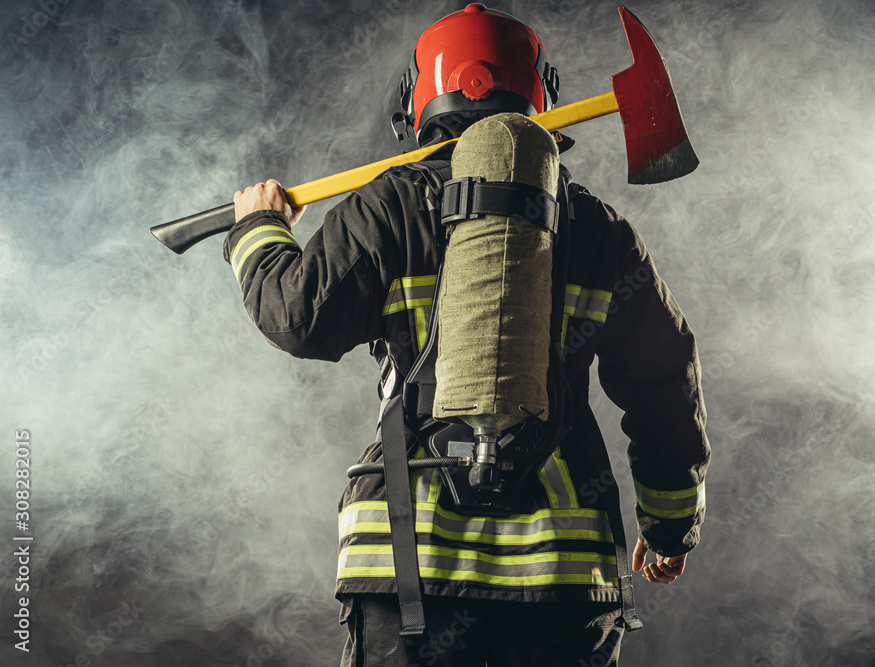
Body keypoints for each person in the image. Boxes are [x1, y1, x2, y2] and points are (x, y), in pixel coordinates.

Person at [226, 5, 710, 666]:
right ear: (542, 94)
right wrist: (669, 525)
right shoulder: (599, 229)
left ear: (417, 101)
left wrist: (258, 227)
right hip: (564, 584)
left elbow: (295, 315)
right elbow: (664, 385)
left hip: (409, 570)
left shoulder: (387, 206)